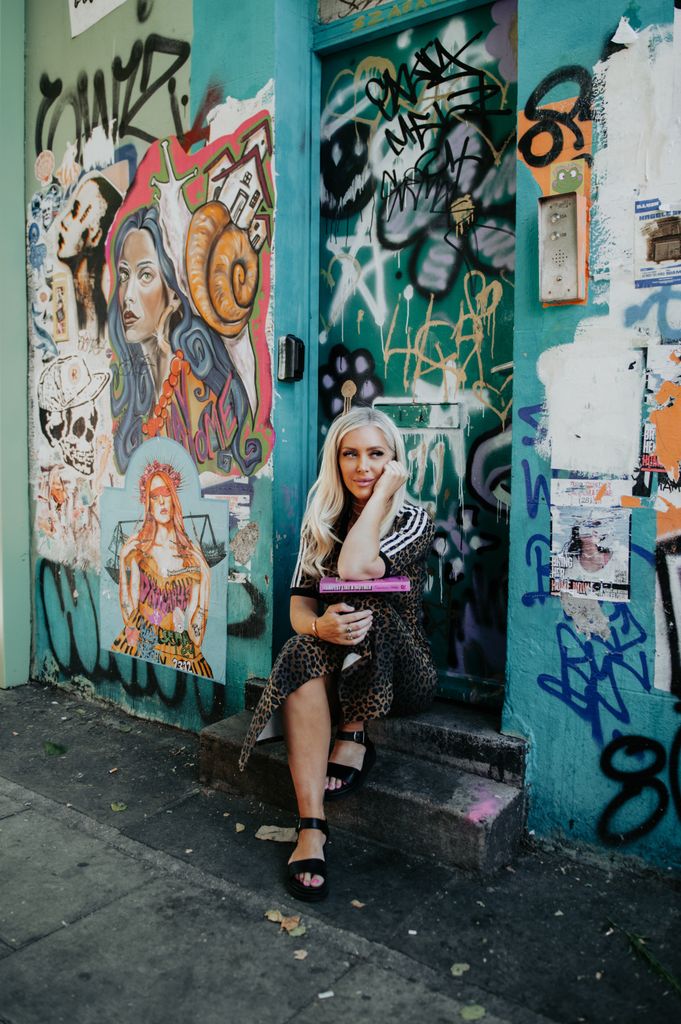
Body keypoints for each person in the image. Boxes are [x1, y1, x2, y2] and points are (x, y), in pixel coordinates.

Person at [239, 407, 437, 901]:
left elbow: (355, 567)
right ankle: (311, 826)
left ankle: (353, 729)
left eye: (376, 454)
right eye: (350, 454)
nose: (362, 466)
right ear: (336, 459)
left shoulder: (414, 518)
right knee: (301, 649)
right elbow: (300, 607)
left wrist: (382, 498)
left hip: (403, 670)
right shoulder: (322, 519)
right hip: (338, 654)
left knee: (365, 596)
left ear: (395, 463)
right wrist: (319, 625)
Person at [108, 206, 260, 476]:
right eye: (123, 275)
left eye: (145, 275)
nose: (128, 295)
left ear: (175, 293)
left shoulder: (199, 380)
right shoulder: (136, 389)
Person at [112, 460, 212, 677]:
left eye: (166, 493)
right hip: (142, 641)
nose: (161, 502)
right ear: (148, 504)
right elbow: (129, 610)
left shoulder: (191, 555)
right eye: (154, 496)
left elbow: (197, 626)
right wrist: (122, 562)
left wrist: (205, 576)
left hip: (179, 647)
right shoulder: (140, 549)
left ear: (174, 498)